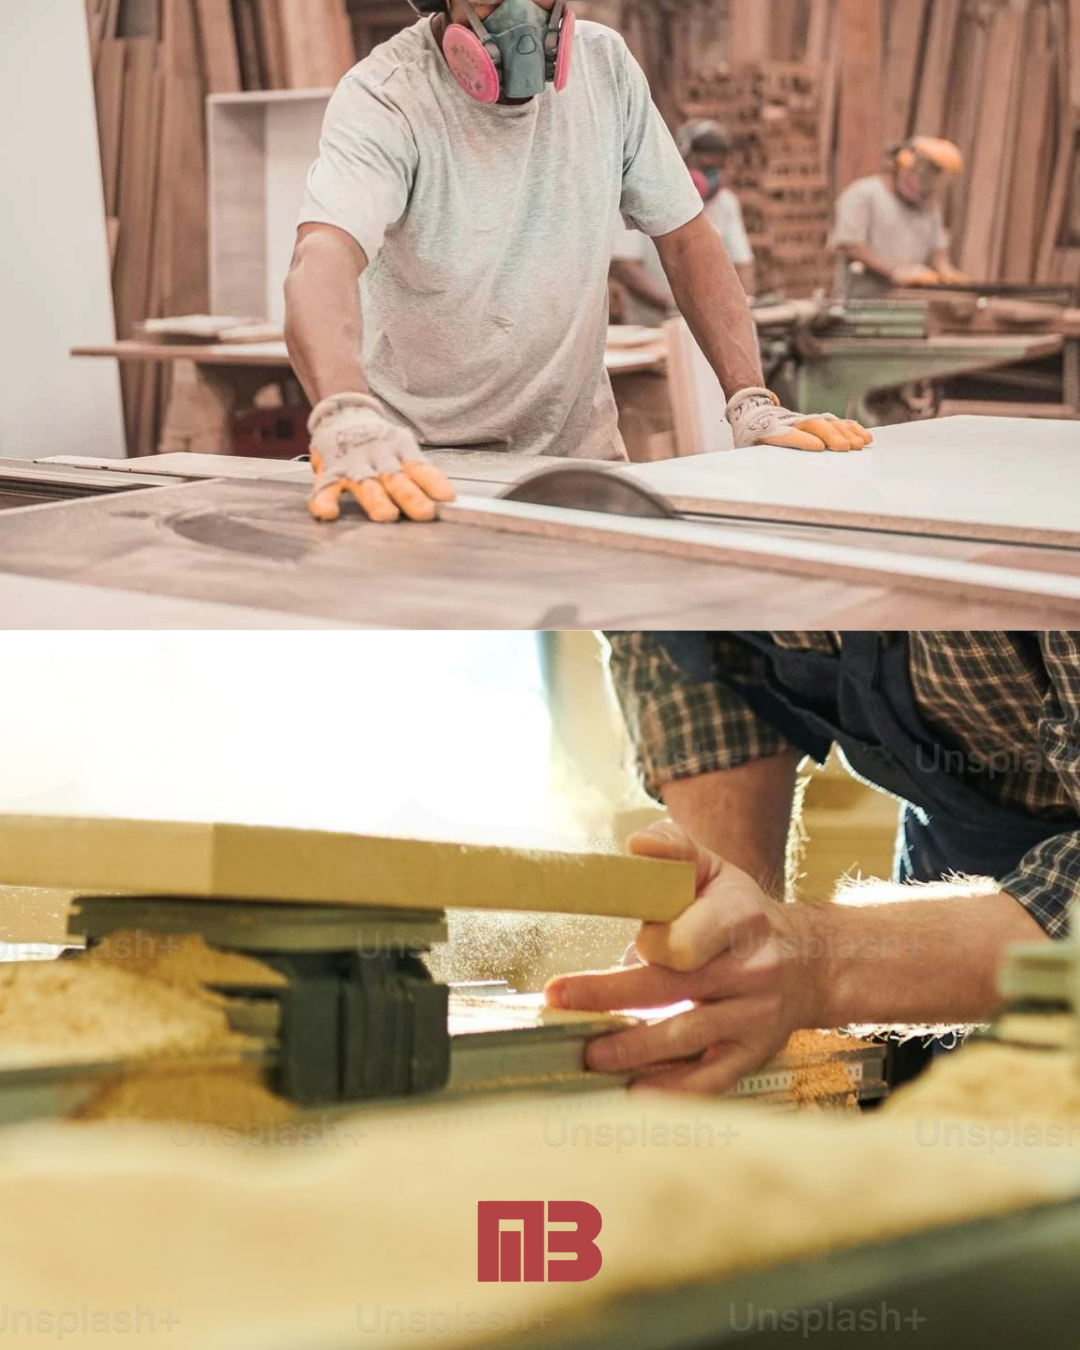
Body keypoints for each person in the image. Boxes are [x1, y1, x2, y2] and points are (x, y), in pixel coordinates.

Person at [285, 0, 870, 525]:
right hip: (412, 463)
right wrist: (346, 414)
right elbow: (322, 255)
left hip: (578, 462)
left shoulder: (605, 66)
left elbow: (687, 238)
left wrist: (752, 401)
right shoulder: (388, 92)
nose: (520, 12)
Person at [545, 632, 1079, 1095]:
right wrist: (728, 960)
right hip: (959, 847)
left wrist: (816, 965)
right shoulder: (659, 529)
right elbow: (700, 666)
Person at [610, 120, 757, 328]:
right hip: (654, 329)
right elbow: (622, 265)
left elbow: (743, 263)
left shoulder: (725, 203)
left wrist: (740, 307)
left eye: (719, 168)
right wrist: (674, 306)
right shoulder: (641, 198)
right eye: (706, 167)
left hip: (711, 330)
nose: (712, 176)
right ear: (681, 158)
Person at [831, 137, 968, 300]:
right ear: (899, 166)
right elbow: (850, 246)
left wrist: (946, 271)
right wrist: (894, 272)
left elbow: (938, 250)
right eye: (920, 174)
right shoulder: (863, 194)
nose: (924, 185)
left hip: (906, 303)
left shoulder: (928, 206)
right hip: (861, 303)